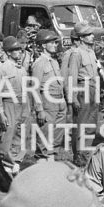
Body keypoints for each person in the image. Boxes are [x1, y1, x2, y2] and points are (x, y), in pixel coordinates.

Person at [64, 22, 103, 167]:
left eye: (91, 34)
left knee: (91, 125)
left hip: (93, 89)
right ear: (81, 37)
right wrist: (73, 97)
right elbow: (72, 76)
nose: (92, 36)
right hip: (82, 88)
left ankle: (86, 154)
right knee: (81, 124)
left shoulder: (91, 52)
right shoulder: (76, 53)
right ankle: (79, 156)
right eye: (88, 34)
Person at [0, 35, 31, 177]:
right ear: (8, 52)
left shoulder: (22, 68)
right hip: (9, 102)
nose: (19, 52)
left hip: (23, 103)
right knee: (8, 133)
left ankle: (16, 163)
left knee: (22, 133)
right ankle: (6, 165)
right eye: (16, 50)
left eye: (20, 50)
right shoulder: (2, 69)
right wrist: (0, 112)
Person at [31, 29, 69, 161]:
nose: (55, 45)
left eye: (55, 42)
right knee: (45, 133)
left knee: (57, 133)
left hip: (59, 100)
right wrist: (39, 109)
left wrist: (63, 100)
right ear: (43, 45)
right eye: (51, 43)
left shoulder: (54, 61)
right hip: (47, 101)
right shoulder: (39, 63)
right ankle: (42, 161)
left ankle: (52, 159)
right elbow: (34, 88)